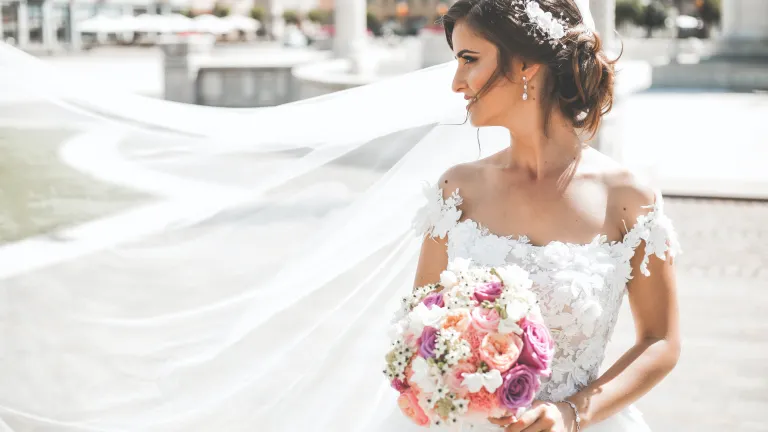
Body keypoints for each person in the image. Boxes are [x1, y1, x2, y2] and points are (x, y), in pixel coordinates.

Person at [411, 0, 681, 431]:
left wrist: (571, 412)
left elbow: (660, 340)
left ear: (525, 65)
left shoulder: (628, 198)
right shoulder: (456, 191)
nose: (457, 83)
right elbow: (421, 326)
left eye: (469, 59)